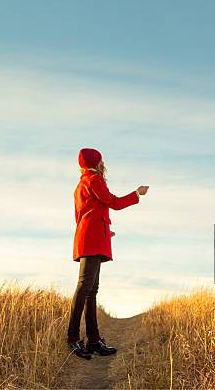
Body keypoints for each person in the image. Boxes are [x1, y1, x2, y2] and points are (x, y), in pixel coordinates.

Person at [66, 148, 149, 360]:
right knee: (85, 287)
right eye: (102, 160)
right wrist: (137, 194)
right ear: (97, 162)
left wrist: (104, 231)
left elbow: (84, 214)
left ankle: (93, 340)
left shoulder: (81, 184)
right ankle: (73, 338)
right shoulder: (94, 180)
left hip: (91, 238)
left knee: (91, 290)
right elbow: (115, 202)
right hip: (92, 240)